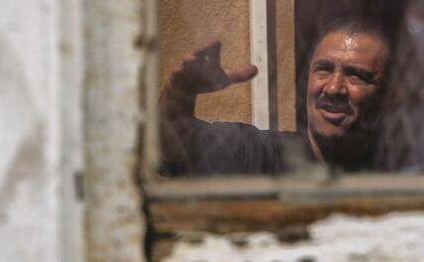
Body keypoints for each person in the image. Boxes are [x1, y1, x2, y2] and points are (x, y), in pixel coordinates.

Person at [160, 22, 392, 175]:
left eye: (355, 76)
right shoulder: (259, 157)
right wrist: (180, 92)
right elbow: (169, 147)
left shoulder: (402, 176)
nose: (333, 88)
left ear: (388, 94)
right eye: (323, 69)